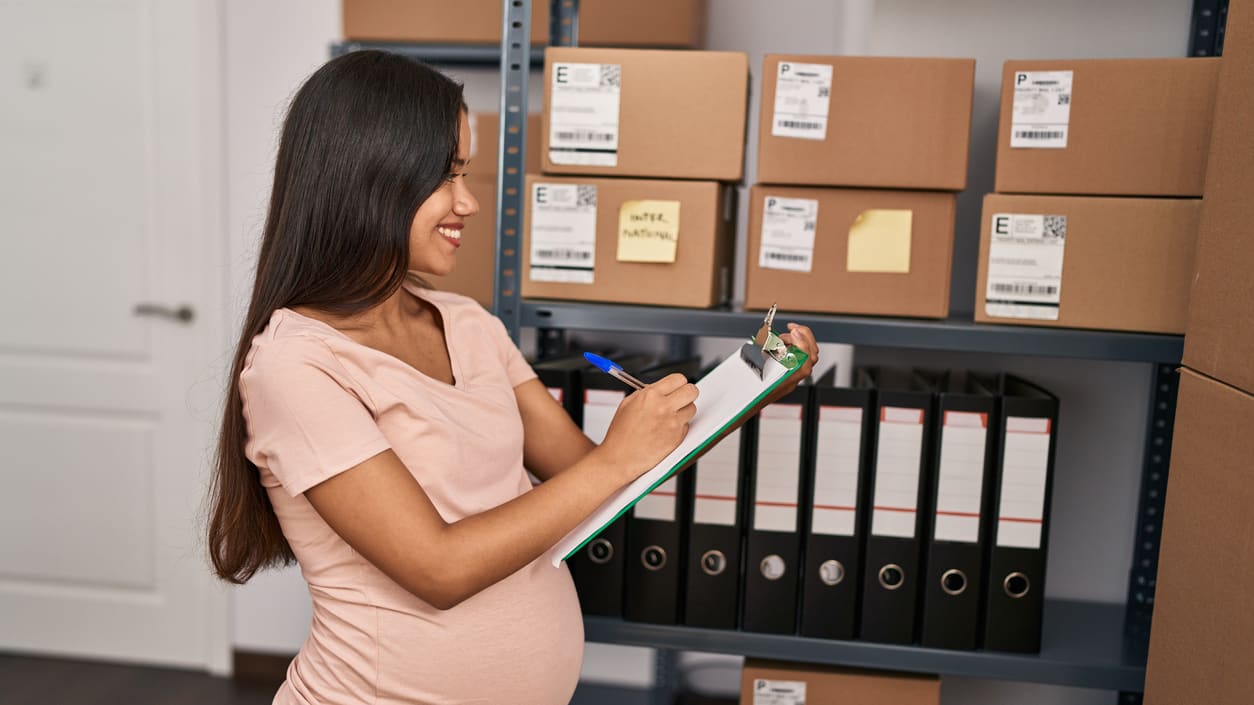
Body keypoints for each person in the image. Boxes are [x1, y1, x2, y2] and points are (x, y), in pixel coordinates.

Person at [206, 50, 819, 705]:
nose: (467, 202)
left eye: (464, 173)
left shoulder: (467, 322)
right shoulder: (296, 365)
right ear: (371, 176)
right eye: (444, 175)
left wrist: (750, 392)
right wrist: (612, 460)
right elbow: (437, 567)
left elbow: (590, 472)